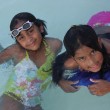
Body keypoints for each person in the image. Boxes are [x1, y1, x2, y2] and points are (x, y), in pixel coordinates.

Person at [0, 12, 62, 110]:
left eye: (30, 31)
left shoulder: (55, 45)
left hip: (34, 100)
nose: (29, 39)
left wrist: (61, 80)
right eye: (21, 37)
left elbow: (58, 64)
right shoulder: (17, 50)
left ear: (40, 28)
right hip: (13, 96)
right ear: (18, 42)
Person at [53, 25, 110, 95]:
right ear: (73, 58)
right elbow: (55, 65)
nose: (92, 62)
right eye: (82, 58)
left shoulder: (108, 48)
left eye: (93, 51)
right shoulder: (70, 62)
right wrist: (60, 81)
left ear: (99, 43)